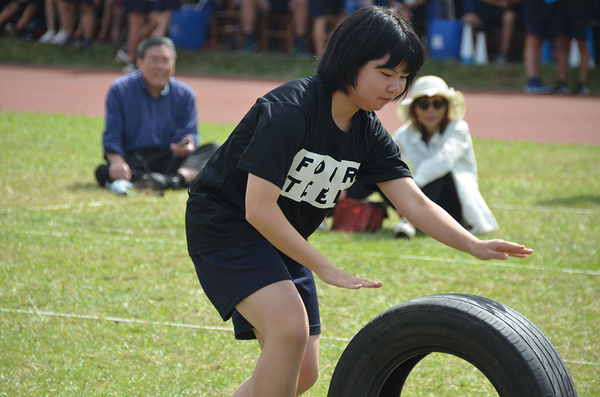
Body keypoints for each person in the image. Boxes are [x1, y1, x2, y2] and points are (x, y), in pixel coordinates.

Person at [185, 6, 533, 396]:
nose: (395, 88)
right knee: (288, 330)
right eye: (385, 74)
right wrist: (324, 267)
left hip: (280, 236)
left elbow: (414, 204)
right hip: (227, 226)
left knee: (301, 374)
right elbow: (258, 208)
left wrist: (475, 244)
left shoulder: (368, 132)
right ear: (349, 61)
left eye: (403, 77)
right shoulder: (291, 110)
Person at [94, 37, 218, 193]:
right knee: (103, 171)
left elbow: (190, 134)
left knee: (214, 150)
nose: (160, 66)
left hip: (170, 158)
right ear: (139, 62)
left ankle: (171, 180)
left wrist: (187, 146)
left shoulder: (185, 95)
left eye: (166, 61)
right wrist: (116, 161)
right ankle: (155, 179)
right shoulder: (120, 90)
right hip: (135, 159)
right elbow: (112, 134)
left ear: (173, 65)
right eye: (154, 60)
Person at [392, 75, 498, 238]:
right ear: (414, 109)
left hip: (456, 207)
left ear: (446, 107)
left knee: (440, 173)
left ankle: (408, 222)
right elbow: (385, 157)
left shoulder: (459, 129)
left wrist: (413, 188)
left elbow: (443, 160)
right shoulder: (406, 133)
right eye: (423, 104)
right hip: (422, 200)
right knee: (381, 174)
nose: (431, 110)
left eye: (438, 104)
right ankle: (340, 206)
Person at [551, 0, 593, 95]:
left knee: (582, 44)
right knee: (562, 44)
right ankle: (561, 82)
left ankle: (582, 83)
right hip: (562, 8)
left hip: (580, 8)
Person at [239, 0, 310, 55]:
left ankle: (299, 41)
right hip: (267, 4)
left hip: (289, 4)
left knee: (302, 1)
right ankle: (248, 38)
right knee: (247, 0)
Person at [522, 0, 554, 93]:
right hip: (535, 6)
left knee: (540, 41)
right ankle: (531, 79)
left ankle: (536, 79)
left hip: (550, 5)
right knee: (533, 39)